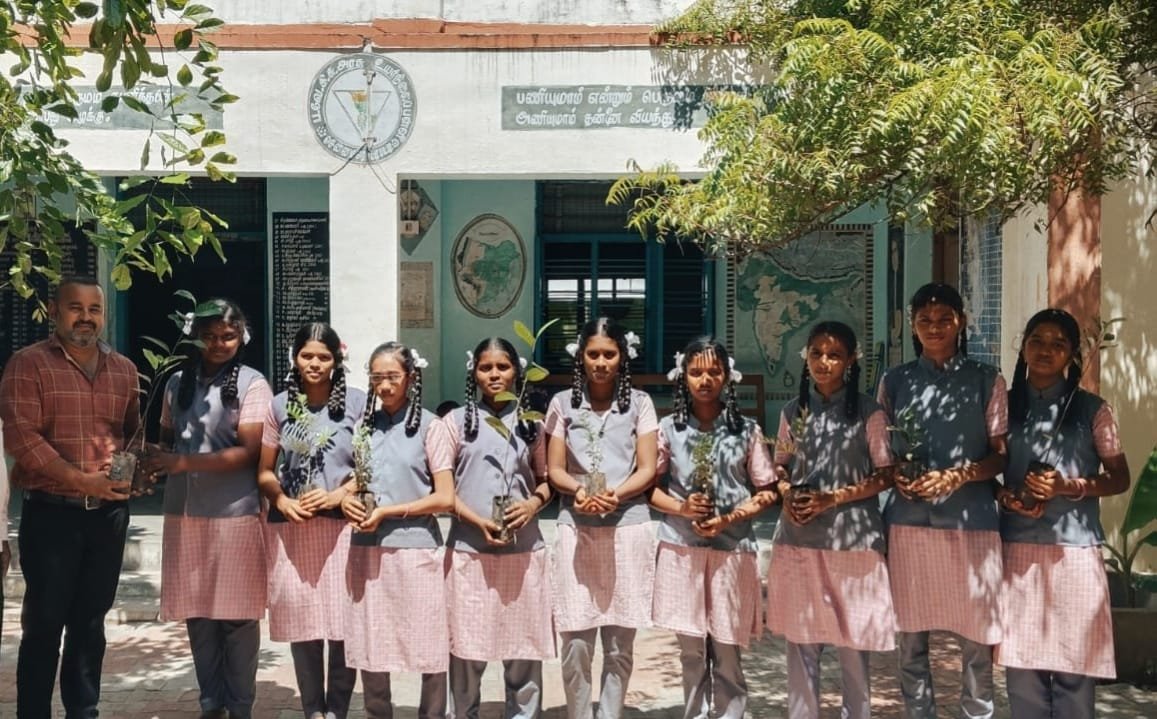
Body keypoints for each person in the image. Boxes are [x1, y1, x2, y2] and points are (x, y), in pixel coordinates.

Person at [0, 275, 140, 718]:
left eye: (94, 309)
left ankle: (83, 709)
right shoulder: (28, 365)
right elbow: (23, 439)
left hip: (108, 517)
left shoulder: (124, 369)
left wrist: (135, 470)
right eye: (75, 307)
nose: (85, 317)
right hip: (52, 517)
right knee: (43, 624)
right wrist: (82, 481)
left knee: (91, 622)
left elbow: (132, 433)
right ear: (54, 310)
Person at [877, 283, 1008, 719]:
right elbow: (882, 451)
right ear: (912, 325)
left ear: (961, 322)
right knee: (911, 637)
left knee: (977, 635)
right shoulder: (894, 381)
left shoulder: (987, 379)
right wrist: (898, 475)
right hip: (909, 522)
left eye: (944, 319)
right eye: (925, 320)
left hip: (972, 522)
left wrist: (960, 474)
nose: (934, 328)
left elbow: (1000, 455)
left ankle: (978, 712)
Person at [995, 308, 1130, 718]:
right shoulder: (1003, 407)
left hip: (1075, 551)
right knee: (1023, 667)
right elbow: (986, 468)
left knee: (1074, 664)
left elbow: (1119, 477)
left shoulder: (1093, 410)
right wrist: (1004, 497)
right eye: (1036, 340)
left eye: (1058, 344)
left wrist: (1067, 487)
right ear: (1023, 346)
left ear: (1072, 354)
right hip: (1017, 547)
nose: (1045, 350)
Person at [145, 299, 272, 719]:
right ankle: (210, 702)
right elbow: (166, 439)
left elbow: (249, 452)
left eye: (228, 336)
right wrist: (148, 461)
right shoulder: (175, 383)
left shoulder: (253, 385)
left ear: (242, 337)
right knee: (198, 611)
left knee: (237, 615)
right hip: (184, 512)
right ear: (195, 336)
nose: (219, 343)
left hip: (234, 513)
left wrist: (182, 462)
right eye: (210, 335)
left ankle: (240, 705)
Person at [766, 322, 897, 719]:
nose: (824, 362)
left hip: (853, 545)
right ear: (805, 357)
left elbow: (885, 474)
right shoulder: (794, 412)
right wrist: (787, 492)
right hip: (800, 539)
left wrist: (833, 498)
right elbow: (781, 464)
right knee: (801, 641)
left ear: (851, 360)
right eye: (816, 353)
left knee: (852, 644)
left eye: (834, 355)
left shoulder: (870, 413)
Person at [649, 338, 776, 719]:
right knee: (690, 648)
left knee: (727, 643)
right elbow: (649, 488)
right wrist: (682, 508)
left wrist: (730, 518)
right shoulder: (669, 429)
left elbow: (767, 490)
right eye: (696, 372)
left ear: (727, 377)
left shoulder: (747, 430)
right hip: (681, 548)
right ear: (683, 376)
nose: (705, 380)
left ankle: (730, 712)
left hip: (731, 550)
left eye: (714, 372)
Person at [545, 317, 659, 719]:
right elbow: (555, 469)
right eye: (593, 354)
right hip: (577, 527)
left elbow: (647, 468)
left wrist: (616, 495)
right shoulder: (562, 404)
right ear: (580, 357)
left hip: (628, 527)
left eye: (609, 354)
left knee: (618, 643)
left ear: (622, 357)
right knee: (576, 640)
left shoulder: (640, 404)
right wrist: (579, 492)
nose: (600, 362)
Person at [439, 338, 555, 718]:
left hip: (523, 551)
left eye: (502, 367)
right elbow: (443, 491)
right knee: (466, 646)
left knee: (523, 646)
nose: (494, 374)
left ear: (517, 372)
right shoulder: (455, 423)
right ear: (473, 372)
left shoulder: (531, 422)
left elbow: (546, 480)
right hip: (469, 552)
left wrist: (532, 505)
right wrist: (476, 520)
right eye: (485, 367)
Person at [340, 342, 453, 719]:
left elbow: (445, 497)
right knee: (371, 640)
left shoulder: (431, 427)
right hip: (367, 547)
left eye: (392, 377)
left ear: (411, 378)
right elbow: (357, 482)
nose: (385, 385)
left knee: (429, 641)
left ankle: (432, 714)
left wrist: (388, 511)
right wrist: (347, 501)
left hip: (416, 548)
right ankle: (378, 713)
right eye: (377, 377)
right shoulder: (363, 427)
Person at [258, 323, 364, 719]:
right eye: (307, 356)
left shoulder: (357, 403)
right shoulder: (280, 406)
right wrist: (281, 500)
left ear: (337, 361)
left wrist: (339, 495)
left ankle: (337, 709)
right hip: (294, 527)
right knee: (302, 620)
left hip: (342, 527)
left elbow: (371, 466)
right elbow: (265, 471)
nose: (314, 364)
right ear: (295, 358)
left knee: (342, 620)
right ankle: (312, 710)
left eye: (323, 357)